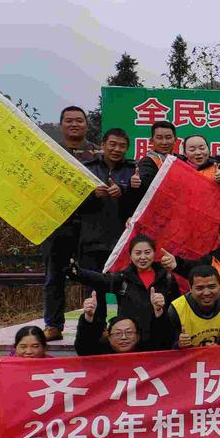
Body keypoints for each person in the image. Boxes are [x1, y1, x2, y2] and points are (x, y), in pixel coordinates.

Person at [74, 289, 173, 438]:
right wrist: (88, 319)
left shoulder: (148, 352)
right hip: (108, 421)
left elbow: (163, 340)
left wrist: (159, 313)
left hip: (145, 418)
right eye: (117, 334)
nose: (124, 338)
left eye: (129, 333)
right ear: (108, 336)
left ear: (138, 335)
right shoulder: (100, 355)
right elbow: (84, 346)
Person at [41, 107, 99, 340]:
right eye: (69, 121)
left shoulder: (98, 153)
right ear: (61, 124)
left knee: (92, 277)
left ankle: (96, 324)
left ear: (86, 124)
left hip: (90, 225)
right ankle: (53, 325)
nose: (74, 124)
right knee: (54, 276)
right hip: (57, 224)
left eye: (79, 120)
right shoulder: (49, 152)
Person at [73, 128, 137, 328]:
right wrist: (92, 196)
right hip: (92, 241)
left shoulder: (133, 170)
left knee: (125, 290)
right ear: (103, 145)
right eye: (112, 144)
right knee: (94, 291)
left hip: (122, 243)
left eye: (122, 146)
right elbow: (73, 204)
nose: (117, 149)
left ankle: (124, 332)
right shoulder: (87, 169)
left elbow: (140, 202)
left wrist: (124, 191)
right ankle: (96, 332)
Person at [69, 234, 182, 335]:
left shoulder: (167, 278)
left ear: (154, 254)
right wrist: (76, 272)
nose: (143, 257)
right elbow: (101, 279)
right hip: (129, 339)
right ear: (130, 256)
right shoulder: (122, 278)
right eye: (138, 253)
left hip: (160, 338)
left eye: (147, 252)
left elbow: (177, 310)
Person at [166, 264, 220, 348]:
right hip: (192, 356)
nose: (206, 293)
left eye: (212, 287)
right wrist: (179, 344)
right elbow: (166, 347)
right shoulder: (176, 308)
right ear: (190, 288)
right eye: (200, 288)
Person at [136, 120, 177, 187]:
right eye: (159, 138)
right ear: (152, 140)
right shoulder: (147, 162)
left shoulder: (181, 159)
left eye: (168, 137)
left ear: (175, 140)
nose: (164, 142)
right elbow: (144, 182)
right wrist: (135, 183)